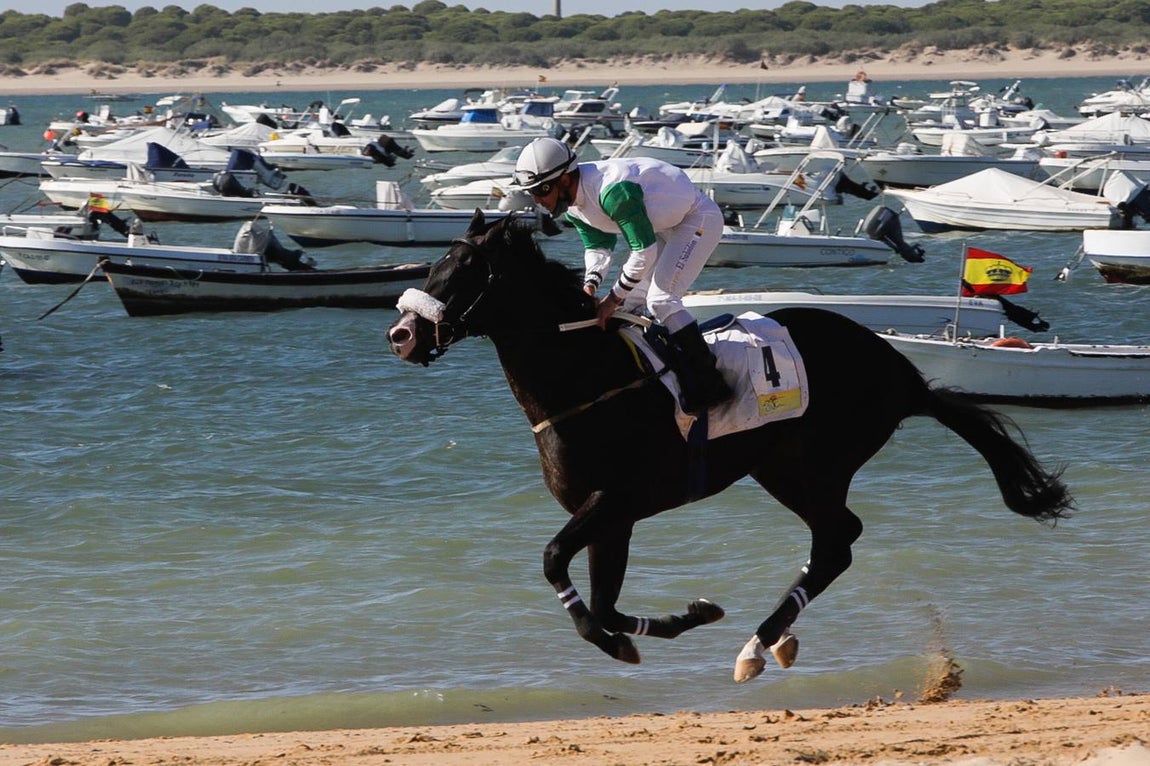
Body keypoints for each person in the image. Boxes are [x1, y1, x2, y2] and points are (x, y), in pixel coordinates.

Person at [512, 136, 731, 414]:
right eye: (532, 192)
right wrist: (590, 287)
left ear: (564, 179)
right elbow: (598, 248)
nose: (537, 200)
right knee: (629, 309)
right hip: (661, 228)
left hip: (697, 220)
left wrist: (612, 299)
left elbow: (644, 253)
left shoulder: (613, 192)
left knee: (661, 300)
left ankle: (711, 381)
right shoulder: (574, 207)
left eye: (540, 190)